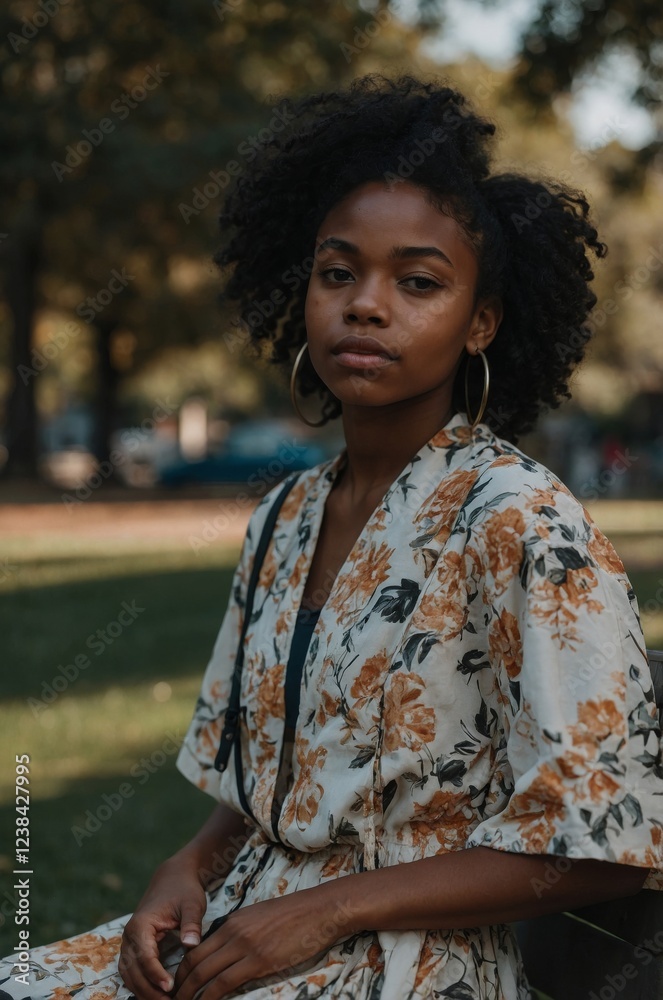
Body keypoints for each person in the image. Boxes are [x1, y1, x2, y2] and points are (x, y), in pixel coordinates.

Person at [3, 72, 662, 1000]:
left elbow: (606, 848)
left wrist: (332, 908)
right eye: (338, 272)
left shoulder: (521, 520)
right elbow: (269, 787)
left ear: (481, 322)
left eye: (418, 282)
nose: (365, 304)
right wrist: (190, 864)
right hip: (241, 925)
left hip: (411, 967)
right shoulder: (285, 516)